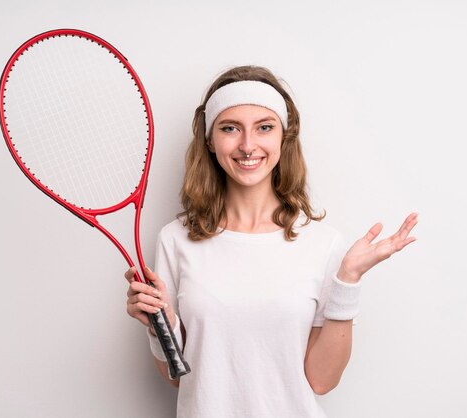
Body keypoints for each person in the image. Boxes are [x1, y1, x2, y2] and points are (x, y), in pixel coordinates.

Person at [125, 65, 418, 417]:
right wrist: (161, 325)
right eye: (230, 128)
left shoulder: (322, 243)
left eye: (264, 127)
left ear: (283, 137)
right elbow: (177, 378)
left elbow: (322, 380)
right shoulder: (176, 241)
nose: (248, 146)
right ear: (209, 140)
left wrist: (348, 281)